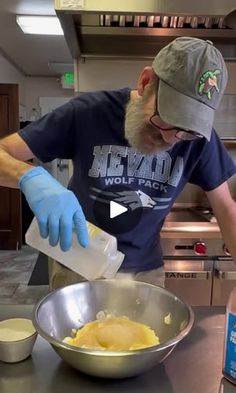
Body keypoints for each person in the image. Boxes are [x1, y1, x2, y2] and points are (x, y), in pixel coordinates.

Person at [0, 36, 236, 290]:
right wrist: (30, 178)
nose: (171, 138)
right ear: (146, 82)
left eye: (186, 129)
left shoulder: (200, 140)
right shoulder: (88, 113)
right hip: (78, 265)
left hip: (146, 274)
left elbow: (226, 208)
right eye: (166, 118)